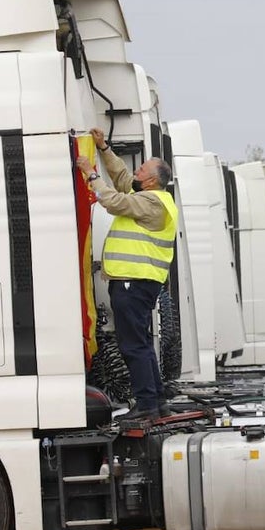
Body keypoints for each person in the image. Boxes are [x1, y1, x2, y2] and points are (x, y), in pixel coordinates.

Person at [76, 127, 179, 422]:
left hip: (133, 283)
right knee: (141, 343)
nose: (137, 169)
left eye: (142, 168)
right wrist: (104, 149)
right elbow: (122, 179)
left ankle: (146, 405)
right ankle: (156, 402)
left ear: (151, 179)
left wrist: (90, 174)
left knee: (133, 345)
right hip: (138, 283)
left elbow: (114, 201)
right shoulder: (152, 198)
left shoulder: (151, 202)